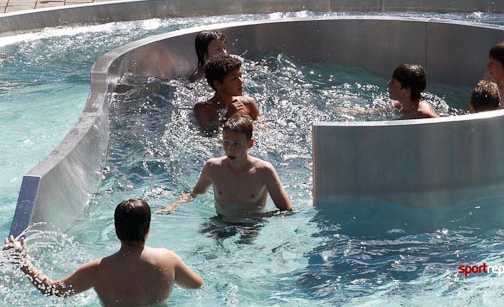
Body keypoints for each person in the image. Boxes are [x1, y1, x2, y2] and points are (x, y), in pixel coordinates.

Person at [3, 198, 204, 306]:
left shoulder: (97, 270)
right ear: (148, 229)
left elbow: (52, 290)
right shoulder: (168, 259)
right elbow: (197, 285)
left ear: (116, 230)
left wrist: (24, 263)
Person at [158, 114, 293, 220]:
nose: (230, 149)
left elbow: (286, 210)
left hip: (251, 225)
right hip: (220, 221)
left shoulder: (264, 171)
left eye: (236, 144)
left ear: (250, 144)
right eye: (226, 142)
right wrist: (172, 207)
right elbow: (194, 194)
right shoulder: (213, 167)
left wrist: (252, 218)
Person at [194, 54, 260, 133]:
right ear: (217, 84)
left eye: (240, 76)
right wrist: (228, 117)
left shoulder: (248, 103)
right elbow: (208, 135)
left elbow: (262, 130)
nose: (241, 81)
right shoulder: (203, 109)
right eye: (233, 79)